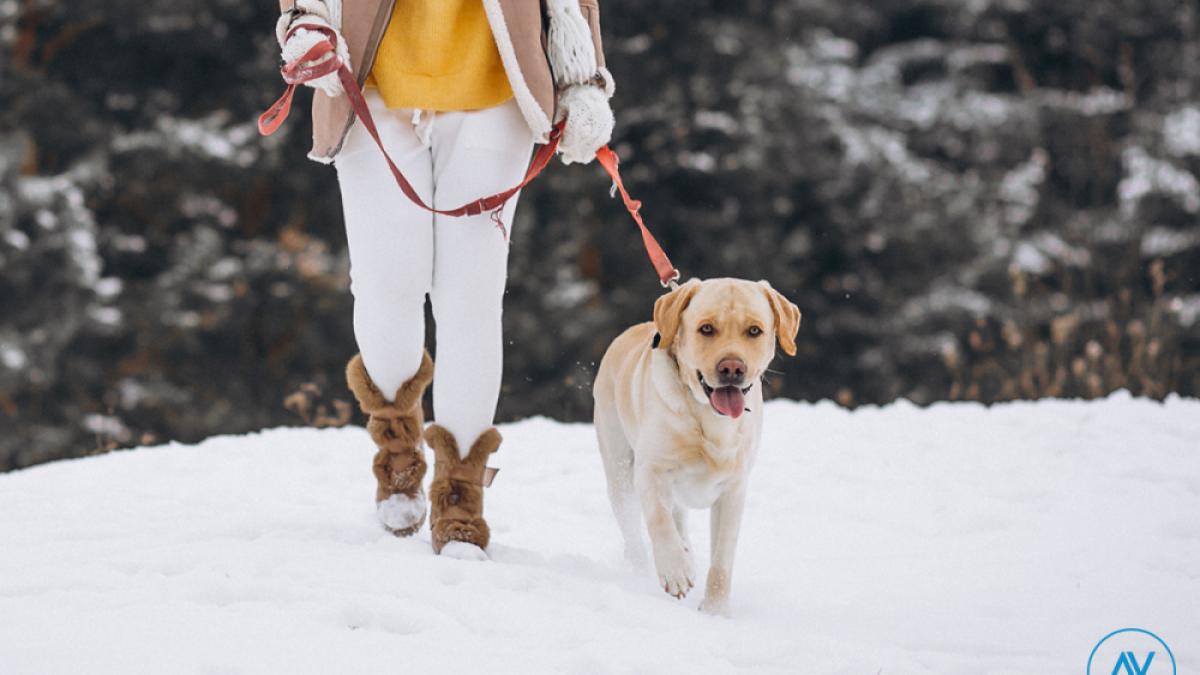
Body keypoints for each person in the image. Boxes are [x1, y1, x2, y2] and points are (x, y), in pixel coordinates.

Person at [273, 0, 614, 559]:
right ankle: (396, 442)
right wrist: (305, 20)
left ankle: (460, 494)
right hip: (368, 78)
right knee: (386, 286)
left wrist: (583, 80)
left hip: (497, 85)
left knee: (471, 299)